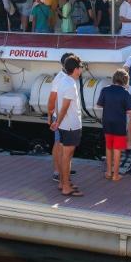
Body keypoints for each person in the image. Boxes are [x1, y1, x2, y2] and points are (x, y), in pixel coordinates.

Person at [50, 56, 84, 197]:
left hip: (65, 125)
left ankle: (63, 183)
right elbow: (64, 107)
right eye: (80, 67)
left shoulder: (63, 81)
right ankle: (65, 187)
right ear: (76, 69)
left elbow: (57, 104)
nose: (81, 69)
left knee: (66, 155)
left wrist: (57, 121)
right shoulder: (70, 85)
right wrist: (58, 121)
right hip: (71, 126)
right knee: (67, 156)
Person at [97, 69, 131, 181]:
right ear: (125, 80)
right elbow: (129, 111)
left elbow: (99, 105)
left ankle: (108, 172)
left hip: (107, 122)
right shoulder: (125, 93)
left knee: (108, 147)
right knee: (117, 149)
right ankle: (116, 174)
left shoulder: (105, 90)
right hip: (119, 124)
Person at [47, 53, 76, 182]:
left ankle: (64, 170)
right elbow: (52, 98)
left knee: (64, 144)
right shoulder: (60, 79)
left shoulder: (67, 77)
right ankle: (57, 172)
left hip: (65, 117)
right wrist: (50, 116)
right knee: (59, 144)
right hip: (60, 117)